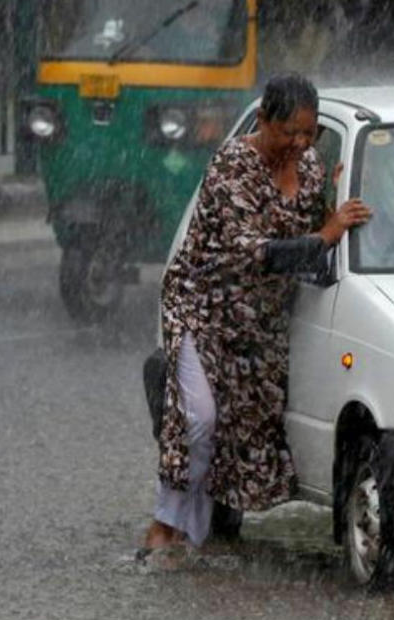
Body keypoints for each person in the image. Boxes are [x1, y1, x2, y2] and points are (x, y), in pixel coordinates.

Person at [141, 74, 372, 560]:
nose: (300, 143)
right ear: (263, 120)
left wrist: (336, 204)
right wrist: (326, 235)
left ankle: (197, 538)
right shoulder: (231, 166)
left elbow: (318, 216)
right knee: (198, 419)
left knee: (238, 434)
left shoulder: (309, 167)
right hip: (200, 309)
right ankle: (163, 528)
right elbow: (255, 254)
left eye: (309, 133)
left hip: (259, 321)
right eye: (289, 131)